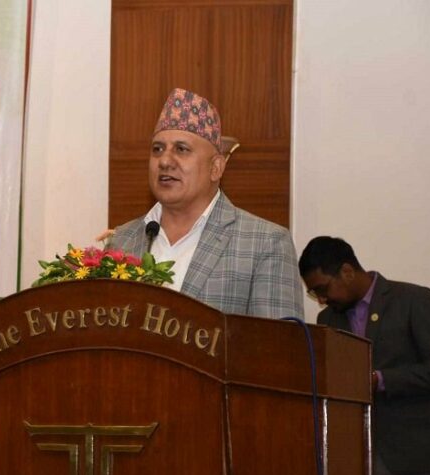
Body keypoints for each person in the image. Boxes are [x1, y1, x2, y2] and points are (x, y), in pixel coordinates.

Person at [106, 88, 303, 319]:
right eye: (157, 149)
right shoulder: (122, 240)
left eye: (181, 149)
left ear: (216, 167)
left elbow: (275, 342)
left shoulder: (265, 244)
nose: (165, 161)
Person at [299, 236, 430, 475]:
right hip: (352, 460)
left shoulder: (414, 300)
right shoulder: (327, 319)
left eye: (322, 289)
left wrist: (380, 380)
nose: (322, 300)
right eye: (315, 294)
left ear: (347, 271)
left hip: (410, 457)